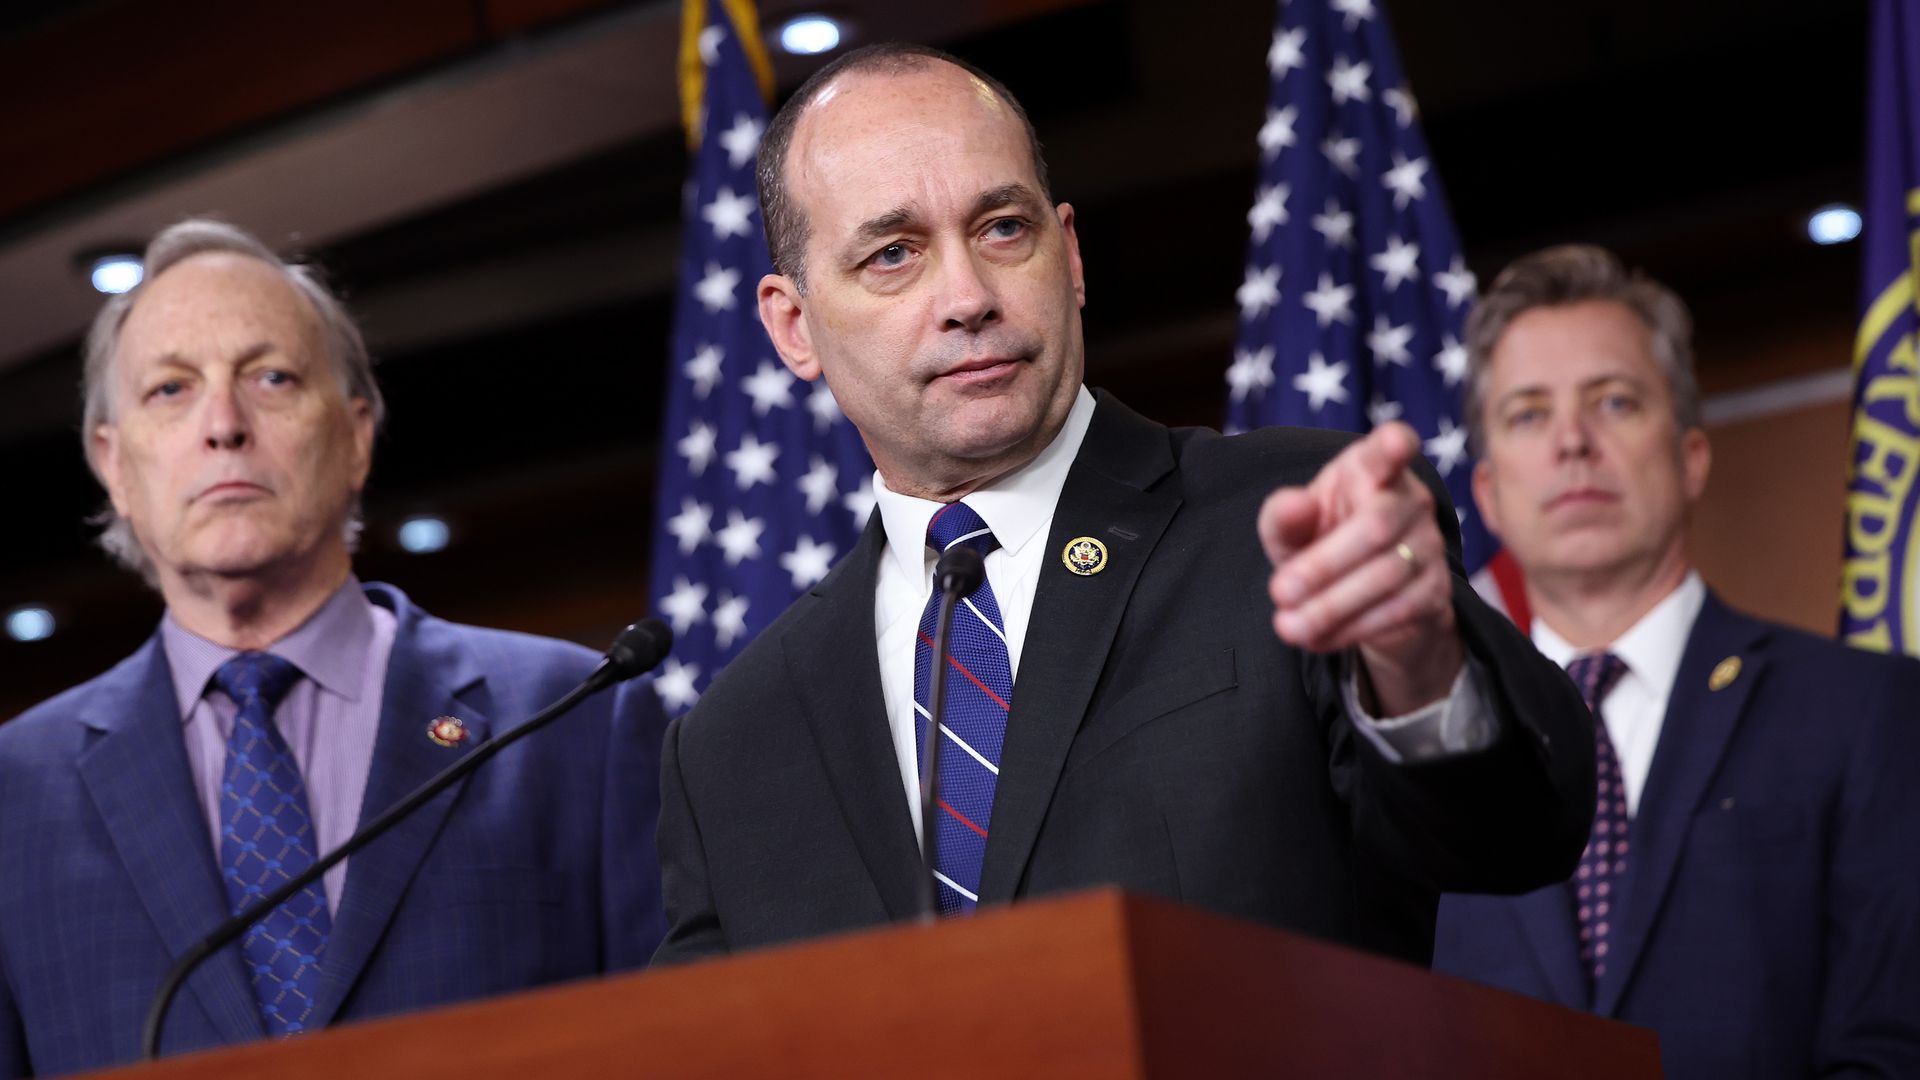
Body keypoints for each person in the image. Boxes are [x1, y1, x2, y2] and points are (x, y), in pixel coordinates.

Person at [651, 43, 1594, 969]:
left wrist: (1420, 671)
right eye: (894, 254)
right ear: (793, 325)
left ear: (1069, 255)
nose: (969, 296)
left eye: (1003, 228)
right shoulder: (733, 745)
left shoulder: (1296, 528)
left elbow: (1514, 837)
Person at [0, 220, 667, 1077]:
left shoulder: (575, 715)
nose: (223, 425)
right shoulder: (15, 794)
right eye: (170, 390)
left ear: (355, 434)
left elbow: (677, 1037)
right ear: (113, 465)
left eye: (270, 377)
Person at [1433, 244, 1920, 1079]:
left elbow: (1894, 1045)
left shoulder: (1865, 709)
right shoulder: (1425, 763)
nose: (1573, 443)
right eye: (1527, 414)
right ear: (1488, 496)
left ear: (1692, 455)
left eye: (1614, 401)